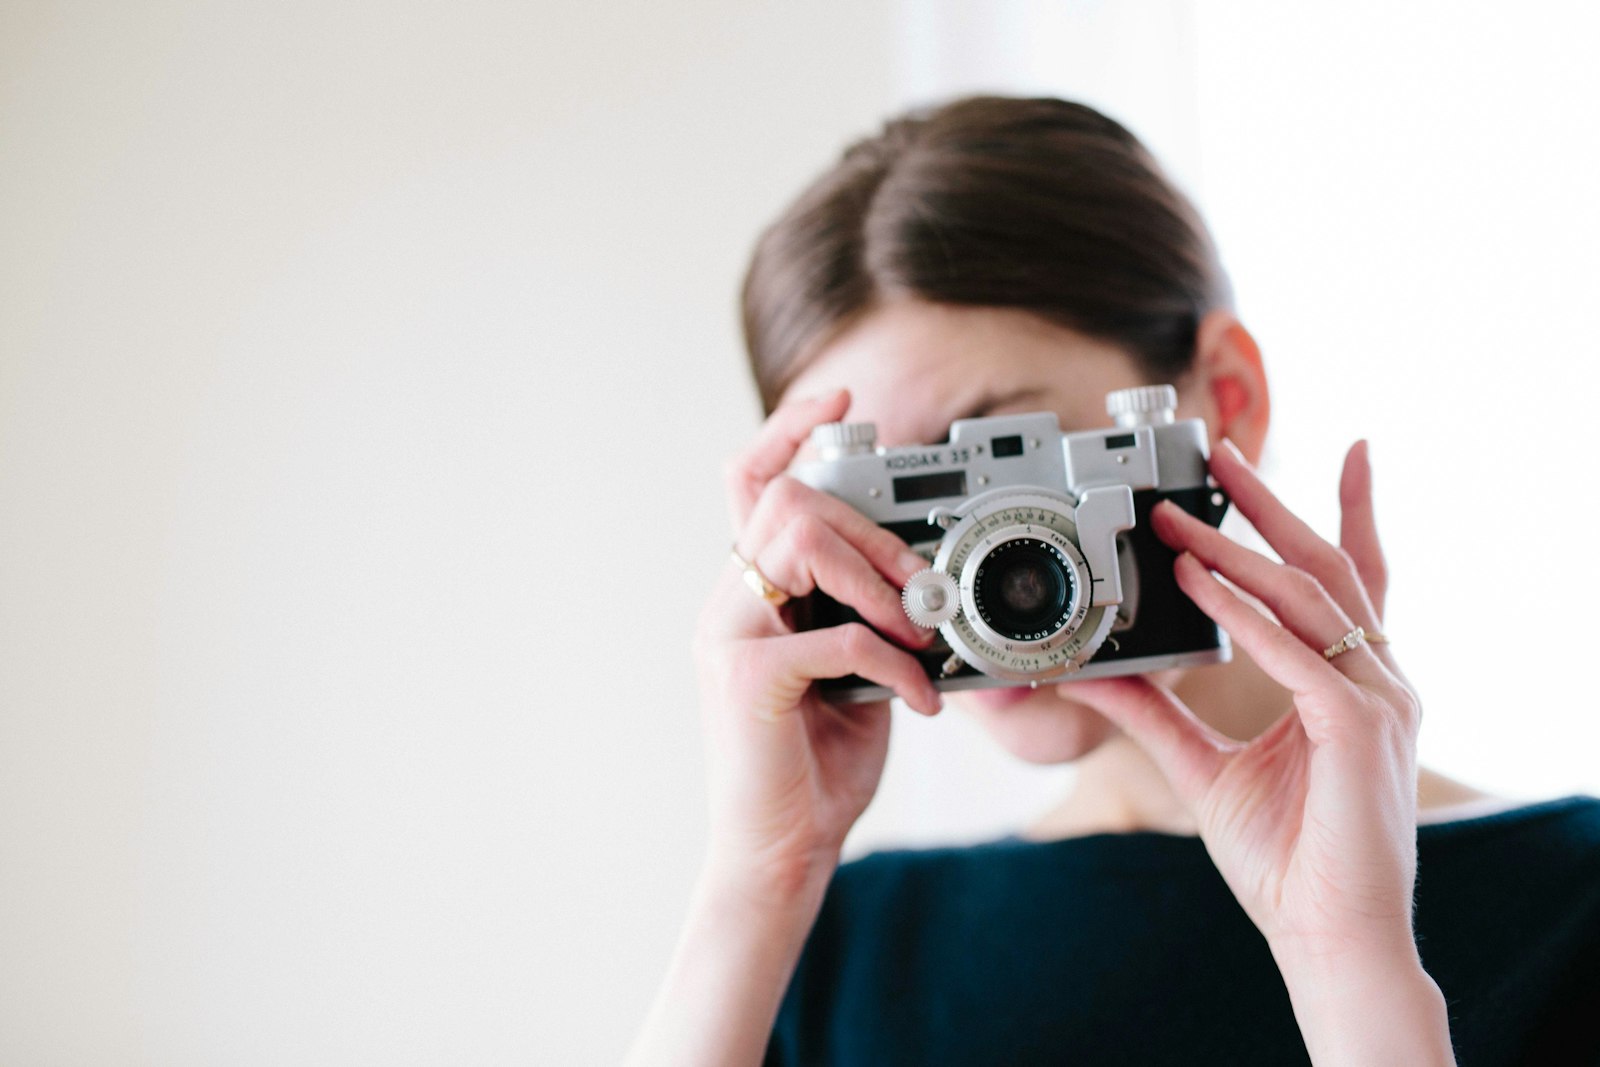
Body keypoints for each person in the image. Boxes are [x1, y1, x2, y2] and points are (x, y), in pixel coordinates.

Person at [624, 96, 1600, 1066]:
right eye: (889, 500)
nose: (960, 566)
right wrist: (755, 880)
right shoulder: (839, 947)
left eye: (1003, 459)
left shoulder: (1573, 902)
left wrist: (1352, 962)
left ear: (1224, 399)